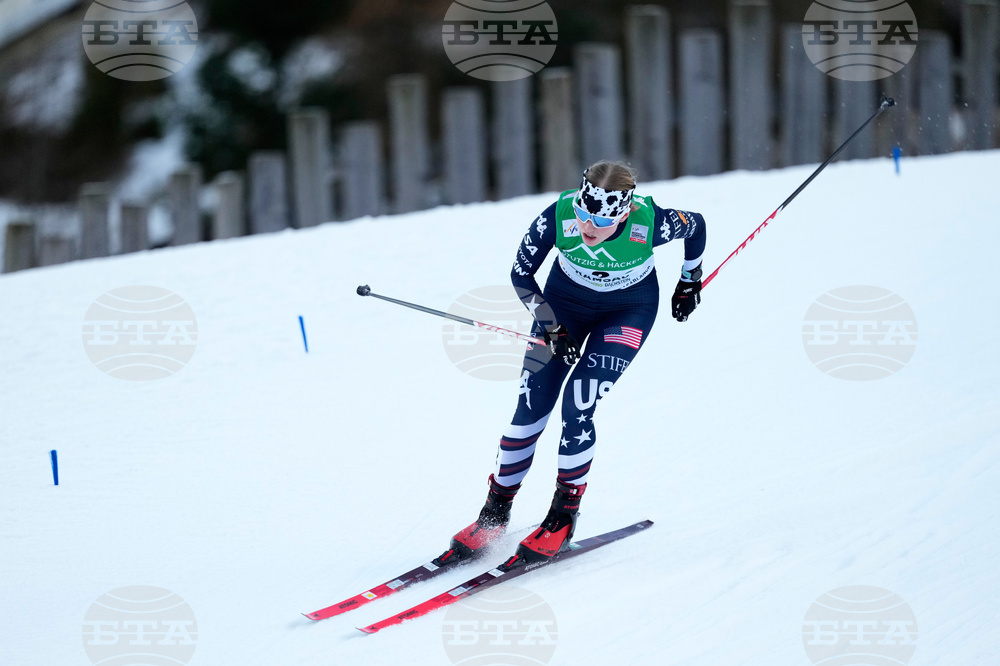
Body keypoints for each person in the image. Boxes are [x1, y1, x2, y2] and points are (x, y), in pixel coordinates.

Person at [436, 160, 707, 569]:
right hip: (561, 309)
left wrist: (690, 279)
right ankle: (494, 515)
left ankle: (563, 517)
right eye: (584, 213)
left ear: (623, 212)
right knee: (530, 407)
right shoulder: (559, 216)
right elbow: (521, 276)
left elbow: (697, 225)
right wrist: (553, 328)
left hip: (627, 311)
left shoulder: (649, 224)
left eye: (600, 220)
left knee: (579, 404)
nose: (588, 227)